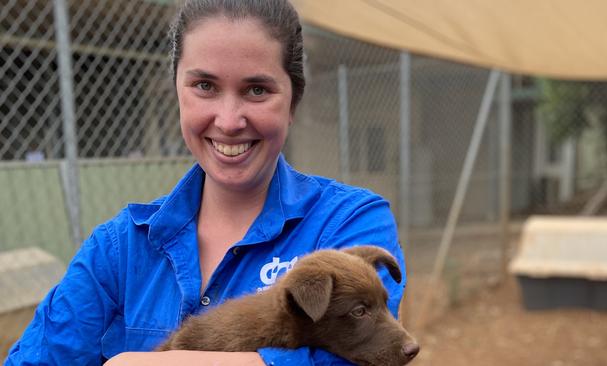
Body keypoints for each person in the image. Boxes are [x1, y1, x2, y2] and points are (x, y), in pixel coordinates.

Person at [5, 1, 406, 365]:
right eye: (205, 86)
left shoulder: (346, 223)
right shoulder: (118, 251)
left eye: (257, 89)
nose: (229, 120)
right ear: (177, 91)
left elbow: (362, 359)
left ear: (292, 102)